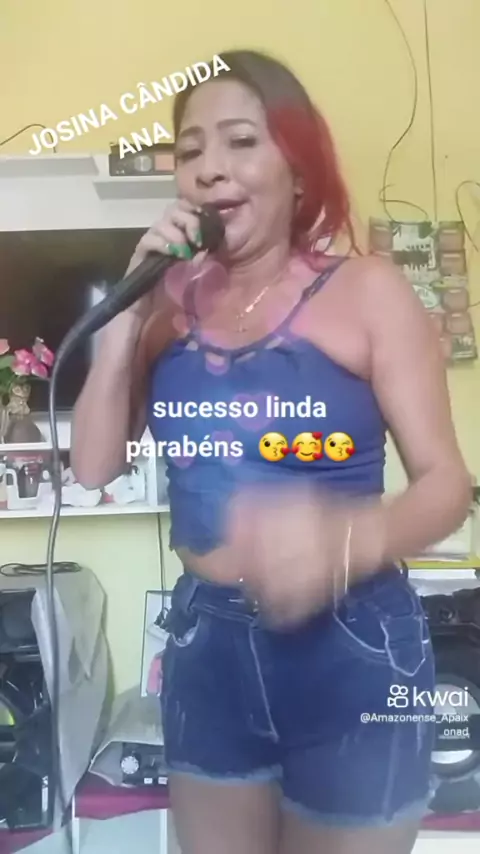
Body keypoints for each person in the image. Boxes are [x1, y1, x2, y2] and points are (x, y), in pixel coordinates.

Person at [71, 49, 472, 854]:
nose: (210, 167)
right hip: (207, 645)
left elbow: (447, 486)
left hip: (354, 641)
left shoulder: (368, 292)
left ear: (298, 168)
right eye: (191, 150)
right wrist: (123, 323)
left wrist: (343, 539)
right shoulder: (166, 307)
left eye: (241, 141)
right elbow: (92, 466)